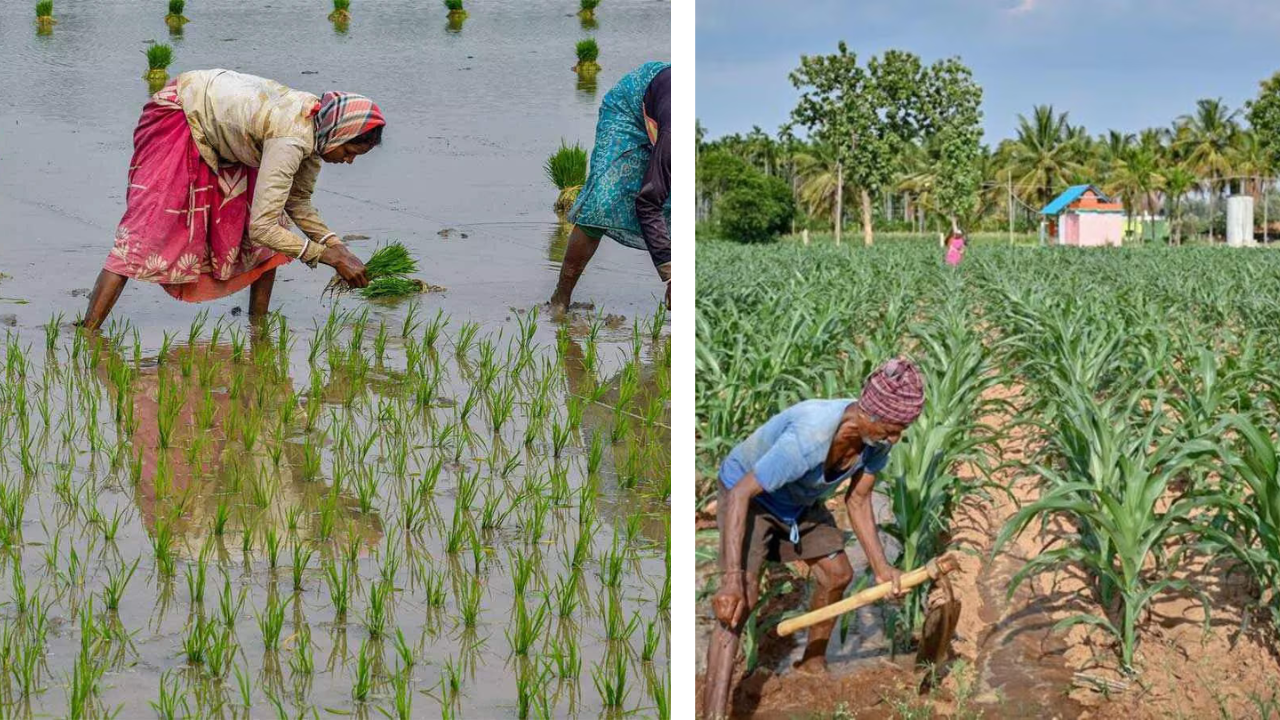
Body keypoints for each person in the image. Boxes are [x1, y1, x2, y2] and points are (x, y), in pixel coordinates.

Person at [700, 358, 927, 719]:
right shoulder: (807, 439)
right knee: (738, 601)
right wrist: (730, 581)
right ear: (867, 414)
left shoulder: (875, 442)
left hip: (798, 500)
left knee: (837, 574)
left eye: (901, 430)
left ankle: (812, 662)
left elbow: (859, 499)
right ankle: (714, 711)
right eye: (893, 428)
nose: (895, 438)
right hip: (750, 495)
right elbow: (742, 493)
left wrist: (882, 568)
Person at [80, 69, 383, 330]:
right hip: (181, 113)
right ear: (338, 135)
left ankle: (257, 327)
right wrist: (325, 256)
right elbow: (261, 228)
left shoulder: (316, 134)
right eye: (349, 153)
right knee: (145, 231)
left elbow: (297, 202)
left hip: (232, 134)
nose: (348, 162)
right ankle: (88, 332)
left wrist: (336, 245)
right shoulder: (291, 139)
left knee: (274, 224)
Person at [549, 61, 670, 313]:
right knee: (603, 201)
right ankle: (561, 298)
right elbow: (648, 201)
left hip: (663, 111)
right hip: (629, 107)